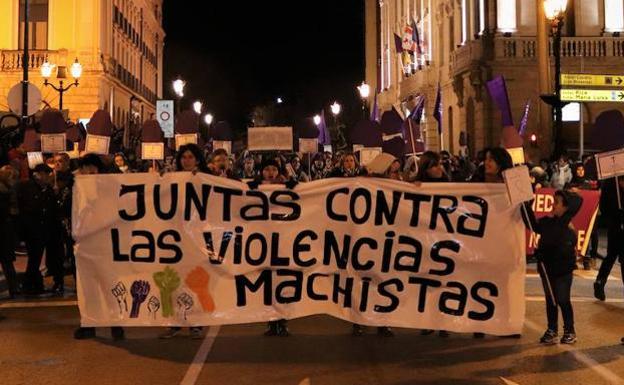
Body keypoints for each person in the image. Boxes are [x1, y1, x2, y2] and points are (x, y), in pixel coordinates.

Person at [74, 154, 125, 340]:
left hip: (104, 244)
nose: (88, 171)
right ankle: (90, 324)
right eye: (85, 167)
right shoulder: (77, 188)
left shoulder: (108, 186)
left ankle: (116, 324)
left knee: (109, 285)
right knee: (88, 289)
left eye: (92, 167)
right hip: (84, 244)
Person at [160, 144, 207, 340]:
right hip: (174, 238)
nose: (186, 160)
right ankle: (176, 322)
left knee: (195, 280)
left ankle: (195, 322)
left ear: (197, 160)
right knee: (174, 280)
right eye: (184, 157)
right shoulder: (172, 180)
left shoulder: (205, 179)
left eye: (190, 157)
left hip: (196, 238)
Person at [523, 190, 583, 344]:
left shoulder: (568, 227)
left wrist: (567, 194)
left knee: (563, 299)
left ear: (566, 207)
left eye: (557, 202)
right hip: (547, 269)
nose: (552, 204)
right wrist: (526, 206)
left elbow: (578, 201)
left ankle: (570, 330)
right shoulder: (548, 222)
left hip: (562, 271)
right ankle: (552, 329)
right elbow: (533, 225)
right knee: (551, 300)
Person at [248, 158, 294, 336]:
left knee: (283, 283)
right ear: (261, 172)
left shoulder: (289, 187)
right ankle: (271, 320)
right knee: (267, 284)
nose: (270, 173)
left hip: (283, 242)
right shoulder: (254, 188)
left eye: (274, 169)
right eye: (267, 169)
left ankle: (283, 320)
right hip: (263, 243)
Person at [17, 163, 64, 295]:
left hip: (49, 229)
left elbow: (53, 209)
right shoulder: (26, 187)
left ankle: (46, 283)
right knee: (34, 258)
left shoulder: (48, 190)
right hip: (33, 229)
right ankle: (31, 284)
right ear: (39, 174)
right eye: (47, 174)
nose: (49, 177)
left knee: (52, 257)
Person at [593, 176, 624, 302]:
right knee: (611, 255)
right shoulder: (611, 183)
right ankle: (600, 282)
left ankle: (600, 281)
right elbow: (604, 206)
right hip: (615, 226)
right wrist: (616, 215)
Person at [0, 165, 19, 297]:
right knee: (7, 261)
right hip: (4, 229)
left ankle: (14, 288)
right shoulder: (6, 190)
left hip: (5, 230)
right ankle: (13, 288)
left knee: (7, 261)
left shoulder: (9, 189)